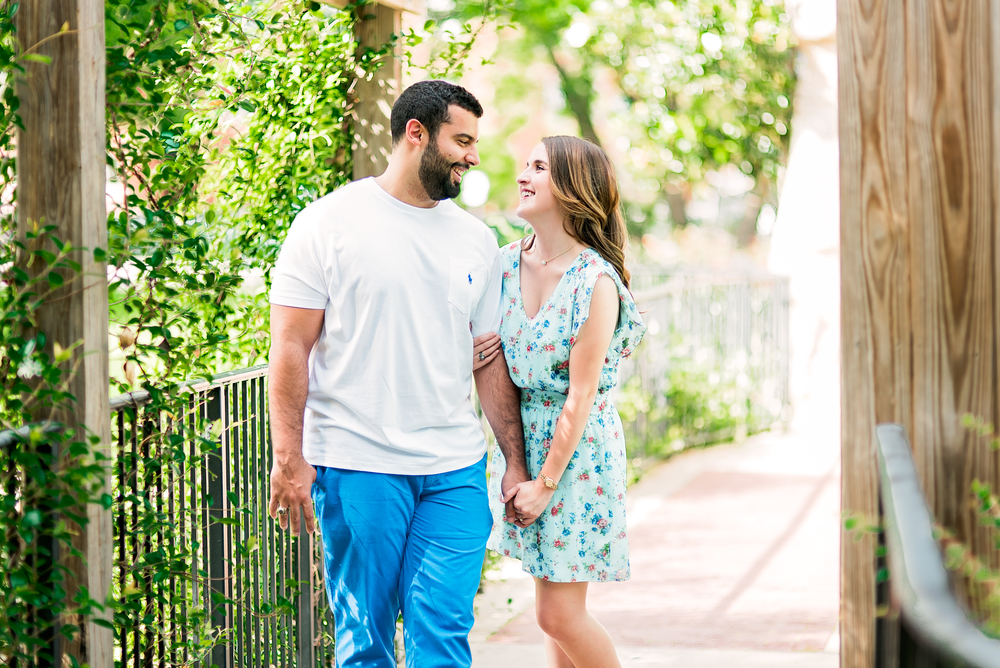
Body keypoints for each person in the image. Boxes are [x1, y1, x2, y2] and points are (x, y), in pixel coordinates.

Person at [266, 80, 536, 668]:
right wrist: (288, 457)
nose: (472, 155)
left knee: (442, 637)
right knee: (365, 645)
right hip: (359, 464)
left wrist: (514, 459)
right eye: (461, 140)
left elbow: (488, 361)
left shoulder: (476, 240)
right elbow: (290, 346)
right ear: (417, 134)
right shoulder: (328, 222)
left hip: (454, 469)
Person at [472, 136, 646, 668]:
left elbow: (583, 394)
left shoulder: (594, 281)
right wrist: (517, 466)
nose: (523, 174)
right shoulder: (503, 264)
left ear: (573, 187)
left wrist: (544, 483)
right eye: (526, 165)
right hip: (522, 447)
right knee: (553, 609)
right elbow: (486, 357)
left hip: (577, 458)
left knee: (557, 616)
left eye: (539, 167)